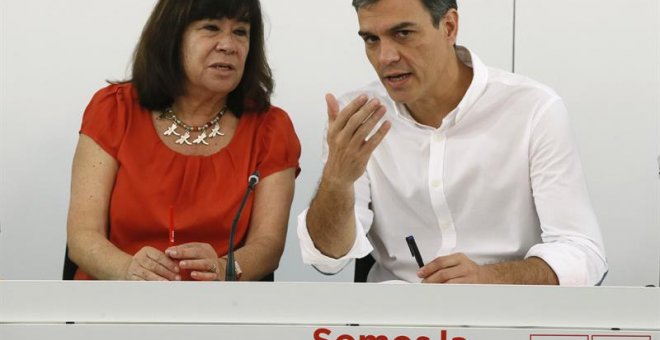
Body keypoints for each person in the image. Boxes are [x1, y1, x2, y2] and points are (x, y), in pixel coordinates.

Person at [297, 0, 607, 285]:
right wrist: (337, 180)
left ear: (449, 27)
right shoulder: (358, 116)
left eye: (403, 33)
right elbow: (327, 258)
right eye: (371, 40)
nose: (385, 57)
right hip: (396, 323)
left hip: (506, 316)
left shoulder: (533, 109)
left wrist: (490, 280)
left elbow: (583, 253)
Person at [67, 0, 301, 281]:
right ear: (172, 37)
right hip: (114, 300)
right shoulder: (114, 110)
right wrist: (128, 270)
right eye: (211, 28)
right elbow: (82, 236)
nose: (228, 45)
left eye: (240, 32)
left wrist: (224, 268)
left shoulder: (270, 128)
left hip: (219, 309)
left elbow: (268, 246)